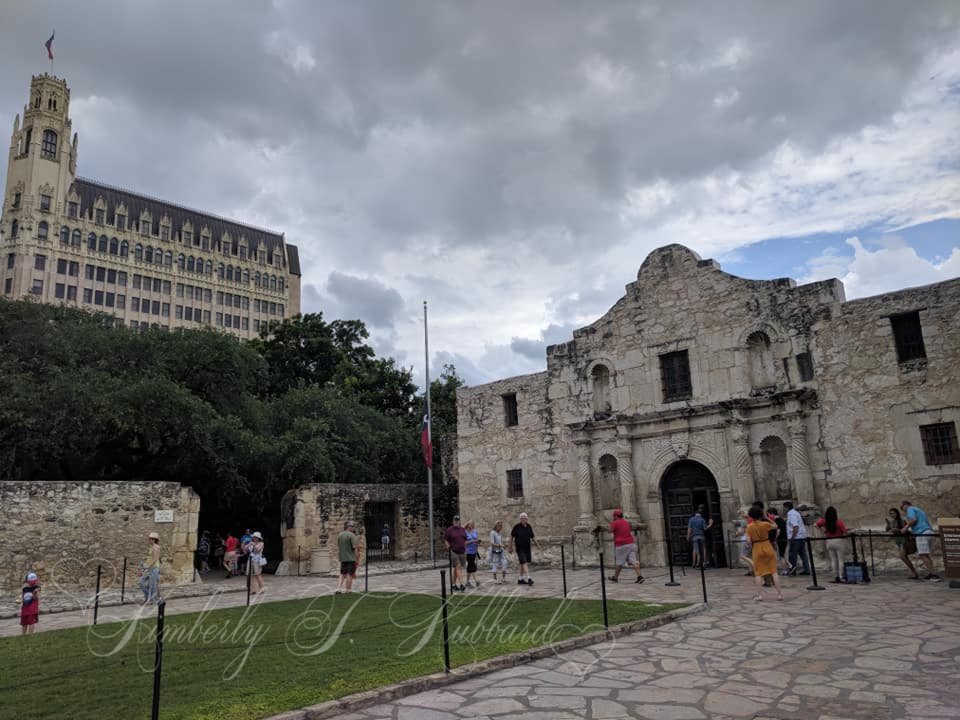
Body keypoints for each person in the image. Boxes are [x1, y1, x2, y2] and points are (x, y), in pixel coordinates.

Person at [746, 507, 783, 601]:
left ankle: (760, 595)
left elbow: (748, 541)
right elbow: (775, 525)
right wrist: (767, 518)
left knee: (758, 573)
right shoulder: (765, 524)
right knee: (774, 572)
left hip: (757, 548)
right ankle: (779, 594)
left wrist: (751, 546)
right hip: (767, 545)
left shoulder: (749, 526)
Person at [899, 500, 941, 581]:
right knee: (926, 555)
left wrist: (905, 527)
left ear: (905, 505)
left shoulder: (910, 509)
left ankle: (933, 575)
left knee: (923, 555)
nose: (902, 510)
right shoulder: (918, 510)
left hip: (922, 533)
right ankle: (931, 573)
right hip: (928, 532)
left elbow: (914, 520)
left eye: (902, 507)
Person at [608, 509, 644, 583]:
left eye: (614, 516)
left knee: (619, 562)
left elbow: (610, 530)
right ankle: (640, 576)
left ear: (615, 516)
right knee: (634, 561)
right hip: (631, 543)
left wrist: (610, 525)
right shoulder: (626, 522)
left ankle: (615, 577)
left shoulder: (614, 523)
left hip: (621, 545)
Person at [815, 506, 849, 583]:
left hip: (829, 541)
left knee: (833, 559)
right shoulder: (839, 522)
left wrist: (824, 531)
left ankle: (835, 575)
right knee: (840, 560)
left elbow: (816, 525)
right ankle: (841, 576)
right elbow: (844, 531)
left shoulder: (824, 521)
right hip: (838, 540)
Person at [886, 508, 919, 579]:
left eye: (894, 513)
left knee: (902, 556)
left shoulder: (902, 521)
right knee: (904, 557)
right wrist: (888, 528)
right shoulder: (891, 522)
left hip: (904, 540)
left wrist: (897, 530)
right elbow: (888, 531)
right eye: (891, 513)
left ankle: (913, 572)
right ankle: (913, 572)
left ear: (897, 513)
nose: (892, 515)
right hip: (898, 541)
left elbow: (905, 530)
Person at [509, 512, 540, 585]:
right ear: (520, 519)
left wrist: (537, 545)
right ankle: (529, 578)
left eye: (524, 518)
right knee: (524, 561)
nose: (523, 519)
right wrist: (510, 547)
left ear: (527, 519)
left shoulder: (529, 526)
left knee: (523, 563)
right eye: (521, 518)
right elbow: (511, 536)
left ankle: (520, 579)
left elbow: (532, 536)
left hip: (527, 548)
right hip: (519, 548)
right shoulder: (516, 527)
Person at [783, 501, 810, 576]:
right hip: (801, 536)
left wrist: (792, 537)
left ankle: (792, 570)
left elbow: (795, 526)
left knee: (792, 554)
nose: (783, 509)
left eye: (784, 508)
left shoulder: (791, 514)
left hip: (796, 537)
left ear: (787, 507)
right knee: (803, 554)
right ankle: (807, 569)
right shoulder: (796, 513)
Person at [444, 515, 468, 591]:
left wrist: (465, 547)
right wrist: (448, 546)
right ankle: (462, 584)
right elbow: (445, 539)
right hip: (453, 551)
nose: (456, 522)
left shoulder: (462, 529)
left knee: (457, 568)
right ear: (453, 521)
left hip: (462, 551)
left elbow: (465, 539)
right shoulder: (450, 530)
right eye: (455, 520)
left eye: (457, 520)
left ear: (460, 521)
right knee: (458, 566)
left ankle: (453, 585)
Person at [336, 520, 359, 594]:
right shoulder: (351, 535)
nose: (353, 528)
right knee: (349, 574)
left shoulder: (340, 535)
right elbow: (355, 548)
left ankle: (338, 589)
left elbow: (338, 545)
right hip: (350, 558)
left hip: (343, 557)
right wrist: (357, 558)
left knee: (342, 573)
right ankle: (348, 590)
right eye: (352, 526)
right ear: (348, 527)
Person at [769, 508, 789, 572]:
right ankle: (789, 566)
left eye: (768, 514)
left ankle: (785, 570)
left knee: (781, 556)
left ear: (772, 513)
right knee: (782, 554)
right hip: (784, 538)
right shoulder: (781, 519)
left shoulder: (777, 520)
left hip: (780, 539)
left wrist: (774, 539)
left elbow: (778, 531)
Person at [144, 531, 162, 605]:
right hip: (150, 567)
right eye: (149, 539)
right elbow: (150, 557)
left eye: (151, 539)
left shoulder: (156, 547)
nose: (149, 540)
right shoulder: (152, 547)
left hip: (154, 568)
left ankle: (154, 600)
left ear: (154, 540)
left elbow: (155, 559)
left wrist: (148, 566)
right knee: (149, 584)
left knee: (153, 584)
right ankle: (150, 599)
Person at [464, 521, 481, 588]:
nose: (471, 525)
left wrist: (477, 542)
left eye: (472, 524)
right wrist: (473, 541)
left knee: (470, 566)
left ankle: (467, 582)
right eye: (470, 524)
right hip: (468, 551)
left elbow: (476, 539)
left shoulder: (475, 531)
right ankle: (476, 581)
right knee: (472, 565)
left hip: (474, 551)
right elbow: (464, 543)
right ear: (467, 525)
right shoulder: (465, 532)